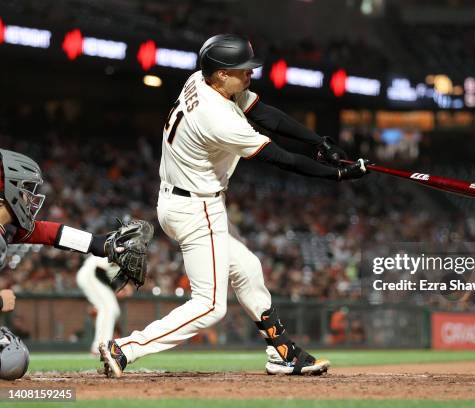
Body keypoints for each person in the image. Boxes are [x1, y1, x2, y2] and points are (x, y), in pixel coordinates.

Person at [99, 34, 368, 378]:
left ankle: (283, 351)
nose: (250, 75)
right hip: (197, 208)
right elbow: (281, 158)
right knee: (210, 306)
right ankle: (125, 349)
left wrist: (318, 142)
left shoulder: (201, 79)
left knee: (247, 268)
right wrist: (339, 174)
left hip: (178, 200)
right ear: (222, 74)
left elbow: (265, 113)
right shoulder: (217, 117)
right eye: (243, 70)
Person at [0, 148, 150, 380]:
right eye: (23, 191)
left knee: (12, 353)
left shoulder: (6, 228)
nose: (29, 199)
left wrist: (98, 244)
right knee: (11, 357)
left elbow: (49, 233)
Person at [77, 255, 133, 355]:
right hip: (91, 274)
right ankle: (100, 347)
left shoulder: (127, 254)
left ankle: (101, 346)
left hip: (96, 276)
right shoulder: (119, 244)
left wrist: (123, 285)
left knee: (112, 310)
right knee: (109, 309)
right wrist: (116, 287)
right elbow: (99, 270)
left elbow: (113, 272)